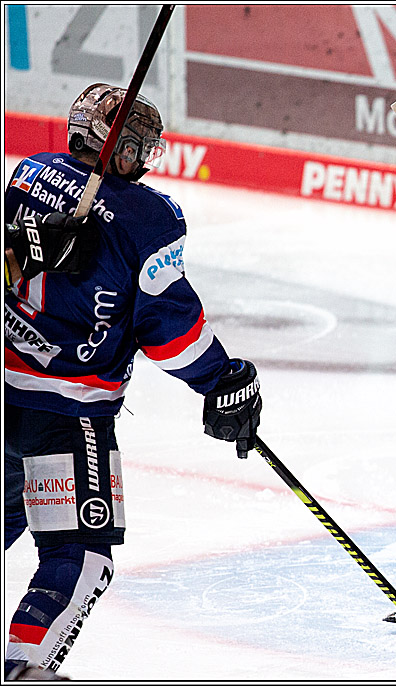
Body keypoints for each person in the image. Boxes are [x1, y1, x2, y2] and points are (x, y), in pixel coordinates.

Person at [4, 83, 262, 680]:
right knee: (82, 555)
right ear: (107, 144)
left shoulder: (28, 174)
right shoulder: (149, 217)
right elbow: (168, 329)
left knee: (7, 515)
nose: (143, 158)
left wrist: (26, 244)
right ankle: (27, 669)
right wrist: (221, 379)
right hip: (67, 411)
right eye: (135, 145)